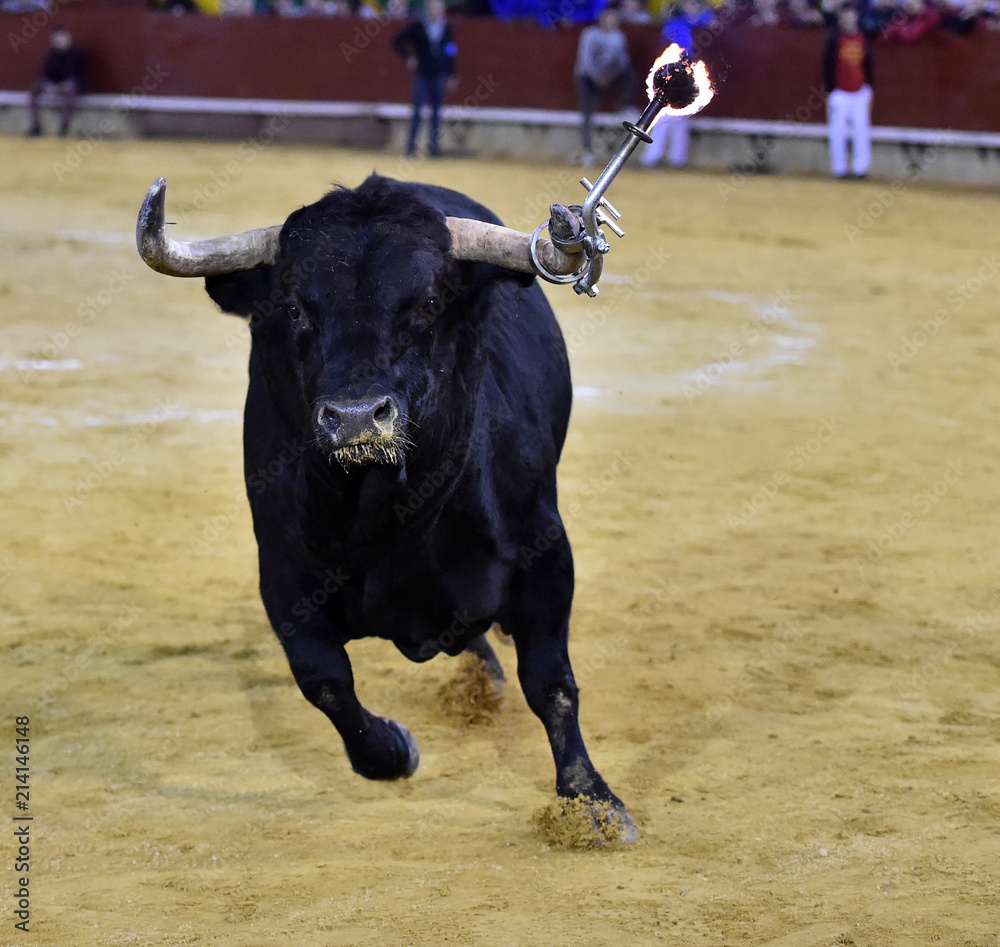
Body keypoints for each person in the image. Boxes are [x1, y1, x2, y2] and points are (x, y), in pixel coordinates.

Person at [640, 0, 712, 170]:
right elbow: (664, 48)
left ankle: (665, 157)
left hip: (691, 73)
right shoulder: (676, 24)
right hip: (673, 73)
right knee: (667, 114)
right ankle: (667, 157)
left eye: (695, 3)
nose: (691, 7)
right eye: (688, 3)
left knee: (675, 115)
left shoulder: (705, 22)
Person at [392, 0, 458, 157]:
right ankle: (410, 149)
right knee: (417, 111)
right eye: (433, 7)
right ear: (428, 9)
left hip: (438, 74)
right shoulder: (418, 25)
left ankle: (433, 149)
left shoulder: (446, 27)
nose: (436, 10)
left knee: (436, 112)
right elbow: (396, 41)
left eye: (438, 8)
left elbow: (450, 51)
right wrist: (408, 57)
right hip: (422, 74)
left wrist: (452, 73)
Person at [574, 4, 635, 166]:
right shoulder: (590, 34)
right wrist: (598, 78)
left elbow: (623, 63)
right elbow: (585, 63)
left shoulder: (618, 36)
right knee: (587, 114)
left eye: (614, 18)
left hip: (609, 77)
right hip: (588, 78)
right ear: (602, 19)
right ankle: (587, 151)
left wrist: (609, 77)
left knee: (631, 74)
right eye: (609, 18)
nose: (612, 21)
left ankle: (624, 105)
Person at [822, 5, 873, 179]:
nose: (848, 20)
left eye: (851, 16)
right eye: (845, 17)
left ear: (856, 17)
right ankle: (839, 169)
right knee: (838, 133)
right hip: (840, 93)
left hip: (860, 92)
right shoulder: (834, 39)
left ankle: (860, 169)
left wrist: (868, 87)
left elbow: (868, 64)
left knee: (862, 132)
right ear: (841, 19)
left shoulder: (862, 37)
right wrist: (831, 91)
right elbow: (827, 66)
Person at [27, 29, 85, 137]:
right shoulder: (51, 54)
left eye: (63, 38)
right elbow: (45, 73)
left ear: (69, 40)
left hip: (69, 85)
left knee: (70, 89)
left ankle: (64, 126)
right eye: (58, 39)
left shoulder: (77, 54)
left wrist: (65, 84)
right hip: (53, 85)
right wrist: (48, 84)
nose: (60, 41)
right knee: (34, 88)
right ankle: (36, 126)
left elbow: (79, 75)